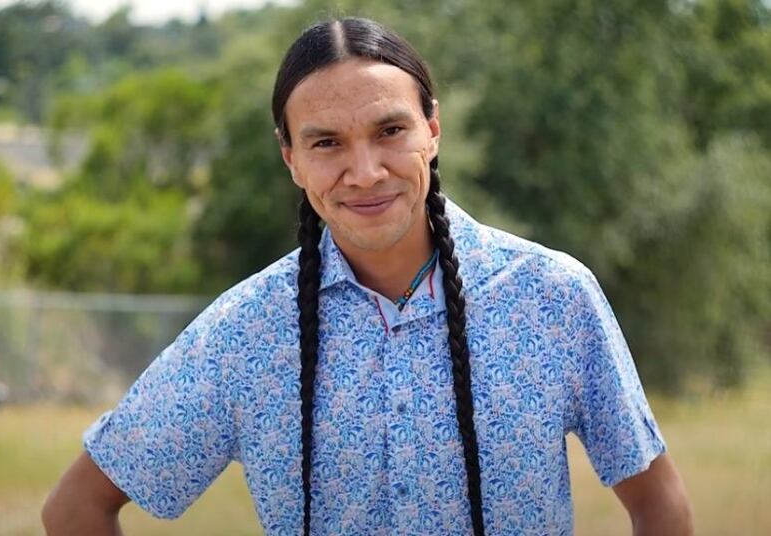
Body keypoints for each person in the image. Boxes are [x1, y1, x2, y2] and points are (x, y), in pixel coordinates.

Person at [42, 17, 693, 536]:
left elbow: (660, 507)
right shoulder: (246, 330)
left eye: (390, 131)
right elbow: (74, 510)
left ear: (432, 129)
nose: (365, 171)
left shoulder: (552, 297)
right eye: (326, 142)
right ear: (291, 158)